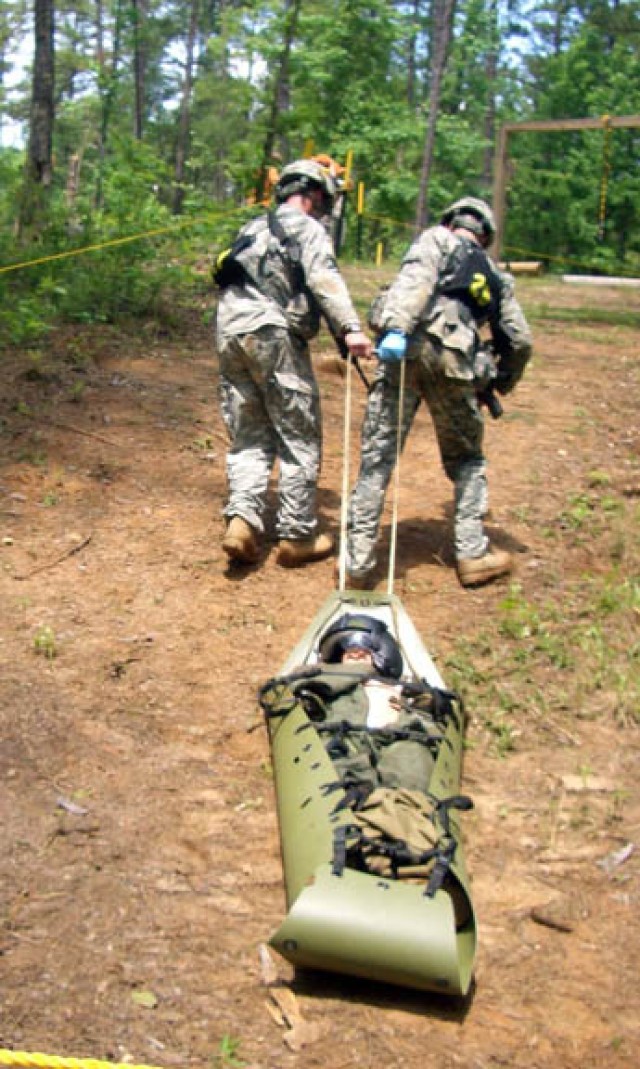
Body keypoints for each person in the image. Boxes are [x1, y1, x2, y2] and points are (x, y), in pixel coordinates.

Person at [344, 196, 533, 588]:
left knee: (378, 457)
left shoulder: (435, 240)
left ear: (451, 223)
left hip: (405, 353)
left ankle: (356, 562)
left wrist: (395, 329)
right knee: (467, 459)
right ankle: (472, 553)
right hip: (457, 361)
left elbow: (415, 282)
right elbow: (519, 340)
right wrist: (498, 383)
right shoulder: (496, 277)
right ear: (485, 236)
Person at [259, 613, 472, 924]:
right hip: (346, 738)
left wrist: (427, 704)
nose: (355, 651)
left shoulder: (407, 690)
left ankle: (414, 864)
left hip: (402, 735)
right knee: (354, 786)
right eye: (346, 648)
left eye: (364, 649)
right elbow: (291, 698)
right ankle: (367, 858)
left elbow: (445, 712)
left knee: (409, 778)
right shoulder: (319, 680)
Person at [214, 158, 372, 568]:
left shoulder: (250, 228)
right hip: (273, 333)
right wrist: (350, 328)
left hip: (229, 332)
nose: (324, 209)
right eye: (324, 200)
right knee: (298, 436)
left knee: (249, 435)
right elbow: (324, 278)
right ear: (314, 193)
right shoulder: (307, 228)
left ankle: (243, 521)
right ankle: (298, 534)